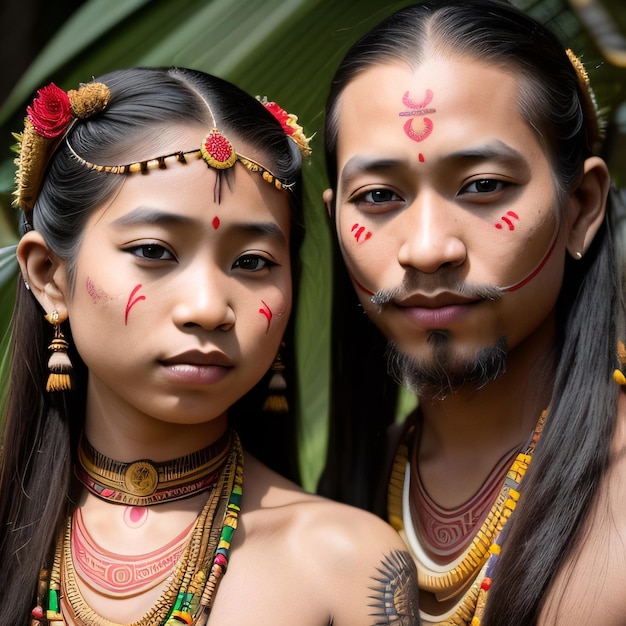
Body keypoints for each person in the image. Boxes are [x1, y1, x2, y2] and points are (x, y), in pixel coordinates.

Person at [0, 67, 419, 625]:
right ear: (50, 274)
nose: (209, 308)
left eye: (252, 263)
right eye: (154, 251)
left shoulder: (346, 564)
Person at [320, 0, 626, 624]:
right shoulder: (331, 502)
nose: (429, 248)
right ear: (335, 222)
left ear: (583, 207)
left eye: (483, 185)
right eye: (378, 196)